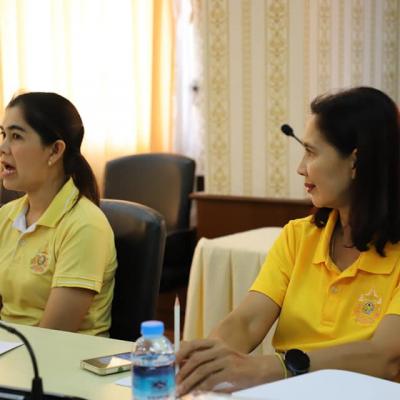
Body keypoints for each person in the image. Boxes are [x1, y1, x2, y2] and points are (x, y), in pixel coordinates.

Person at [176, 86, 400, 395]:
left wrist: (277, 367)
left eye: (311, 152)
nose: (300, 168)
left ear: (355, 161)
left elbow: (385, 357)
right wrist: (207, 359)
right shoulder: (298, 236)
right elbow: (247, 322)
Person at [0, 92, 117, 336]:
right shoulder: (6, 215)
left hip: (61, 355)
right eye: (3, 135)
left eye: (16, 136)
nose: (3, 148)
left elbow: (53, 335)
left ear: (55, 151)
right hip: (12, 351)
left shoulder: (85, 225)